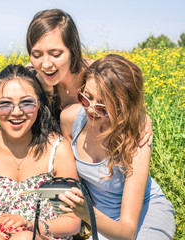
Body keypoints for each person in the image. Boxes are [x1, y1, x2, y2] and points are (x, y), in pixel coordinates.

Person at [0, 64, 81, 240]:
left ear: (38, 104)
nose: (16, 112)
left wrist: (32, 226)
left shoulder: (58, 149)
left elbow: (72, 221)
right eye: (5, 104)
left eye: (26, 103)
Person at [59, 54, 175, 239]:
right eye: (86, 98)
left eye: (103, 107)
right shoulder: (70, 120)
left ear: (123, 106)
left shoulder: (136, 141)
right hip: (101, 216)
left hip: (143, 215)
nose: (90, 109)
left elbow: (127, 232)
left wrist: (87, 213)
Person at [25, 9, 153, 145]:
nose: (45, 64)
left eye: (56, 54)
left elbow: (130, 105)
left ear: (72, 50)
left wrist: (143, 119)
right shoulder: (32, 80)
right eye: (37, 55)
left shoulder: (96, 74)